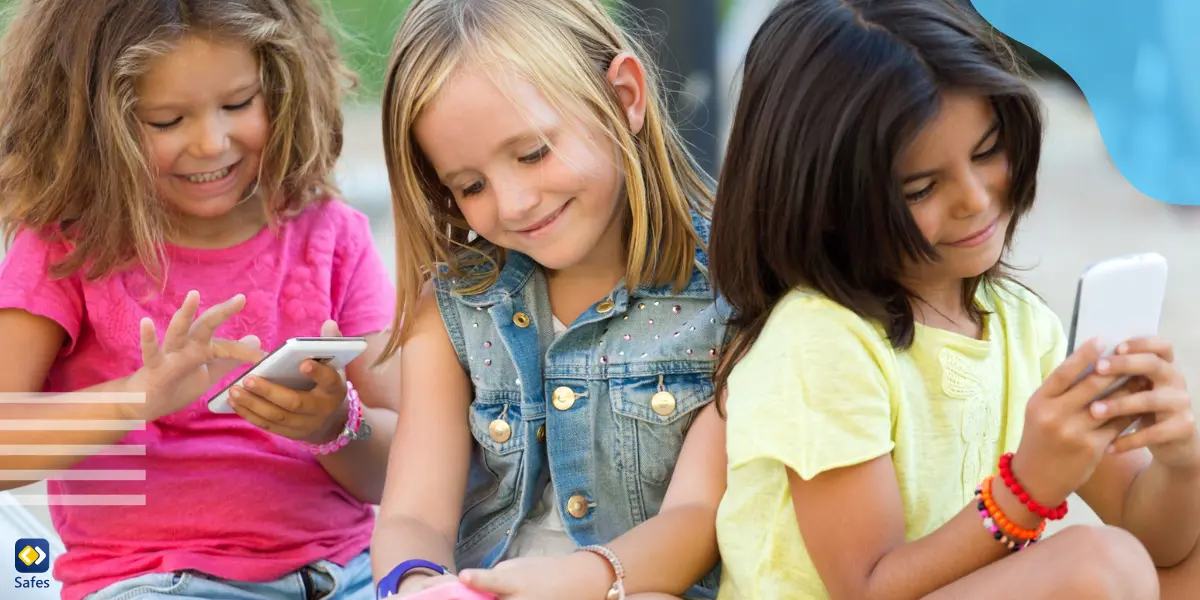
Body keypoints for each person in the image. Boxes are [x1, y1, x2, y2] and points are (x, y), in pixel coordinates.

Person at [707, 0, 1200, 598]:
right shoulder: (821, 342)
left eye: (987, 150)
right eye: (920, 187)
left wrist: (1181, 458)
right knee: (1099, 565)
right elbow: (867, 587)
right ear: (826, 202)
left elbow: (1157, 537)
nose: (973, 197)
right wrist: (1028, 486)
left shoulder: (1021, 325)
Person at [0, 1, 398, 598]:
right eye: (165, 121)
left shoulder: (331, 235)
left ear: (283, 86)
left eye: (239, 104)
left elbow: (407, 467)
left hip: (344, 574)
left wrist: (337, 426)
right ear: (87, 126)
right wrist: (137, 398)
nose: (212, 143)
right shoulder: (65, 247)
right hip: (153, 581)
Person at [368, 0, 727, 598]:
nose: (512, 204)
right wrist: (418, 585)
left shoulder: (729, 292)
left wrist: (579, 581)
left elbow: (698, 518)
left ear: (625, 97)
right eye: (471, 186)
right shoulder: (457, 308)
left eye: (532, 153)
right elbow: (415, 515)